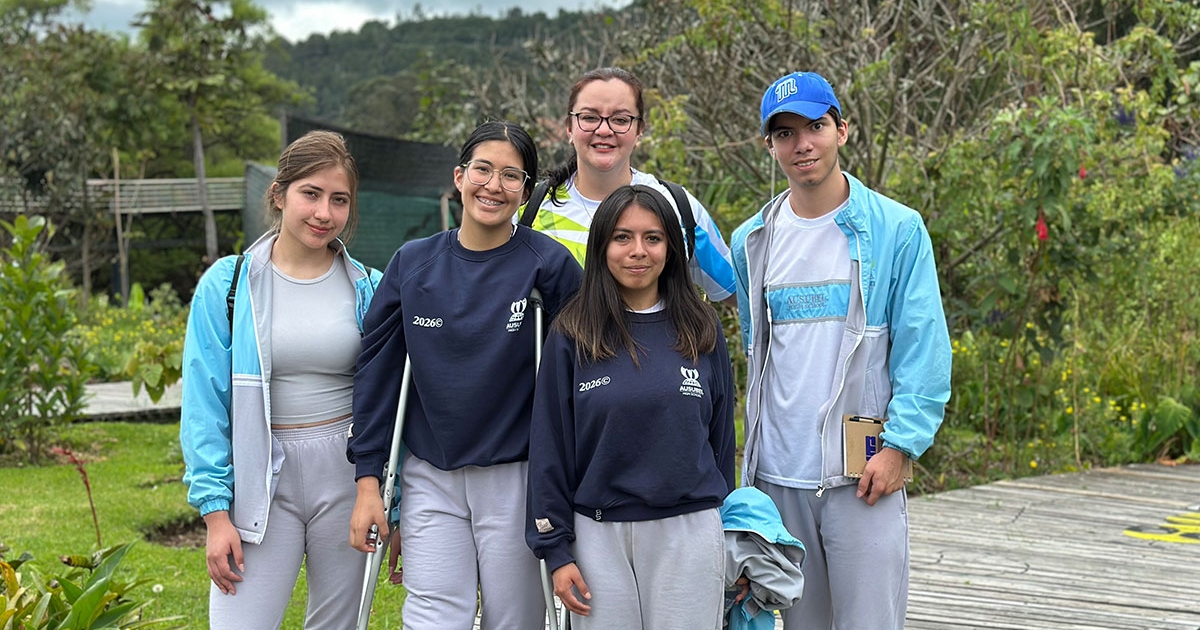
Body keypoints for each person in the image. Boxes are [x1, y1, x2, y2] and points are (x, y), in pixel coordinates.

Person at [730, 71, 952, 630]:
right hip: (778, 481)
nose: (802, 144)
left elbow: (924, 347)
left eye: (815, 127)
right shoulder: (751, 241)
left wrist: (901, 446)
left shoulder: (896, 230)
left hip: (862, 474)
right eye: (784, 134)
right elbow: (756, 358)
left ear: (841, 130)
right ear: (770, 145)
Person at [347, 120, 583, 629]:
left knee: (514, 618)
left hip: (516, 475)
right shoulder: (414, 264)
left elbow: (583, 371)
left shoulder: (549, 266)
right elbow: (378, 374)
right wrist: (369, 482)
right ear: (459, 176)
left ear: (525, 191)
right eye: (482, 170)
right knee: (432, 616)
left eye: (511, 176)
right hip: (432, 475)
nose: (493, 186)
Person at [179, 130, 380, 629]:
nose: (324, 213)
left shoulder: (370, 289)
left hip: (346, 476)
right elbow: (205, 404)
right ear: (279, 193)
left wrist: (384, 504)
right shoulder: (227, 285)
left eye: (339, 200)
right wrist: (215, 514)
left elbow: (387, 399)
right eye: (310, 194)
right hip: (259, 478)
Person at [526, 184, 737, 629]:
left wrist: (727, 524)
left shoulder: (701, 327)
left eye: (653, 238)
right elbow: (551, 448)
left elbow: (721, 441)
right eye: (622, 237)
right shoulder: (573, 332)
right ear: (602, 246)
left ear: (671, 248)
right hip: (599, 535)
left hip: (689, 531)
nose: (638, 251)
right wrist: (557, 550)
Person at [526, 66, 738, 305]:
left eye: (620, 120)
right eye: (589, 117)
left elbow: (738, 292)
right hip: (556, 344)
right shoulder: (529, 209)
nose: (604, 130)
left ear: (639, 131)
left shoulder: (677, 206)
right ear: (569, 128)